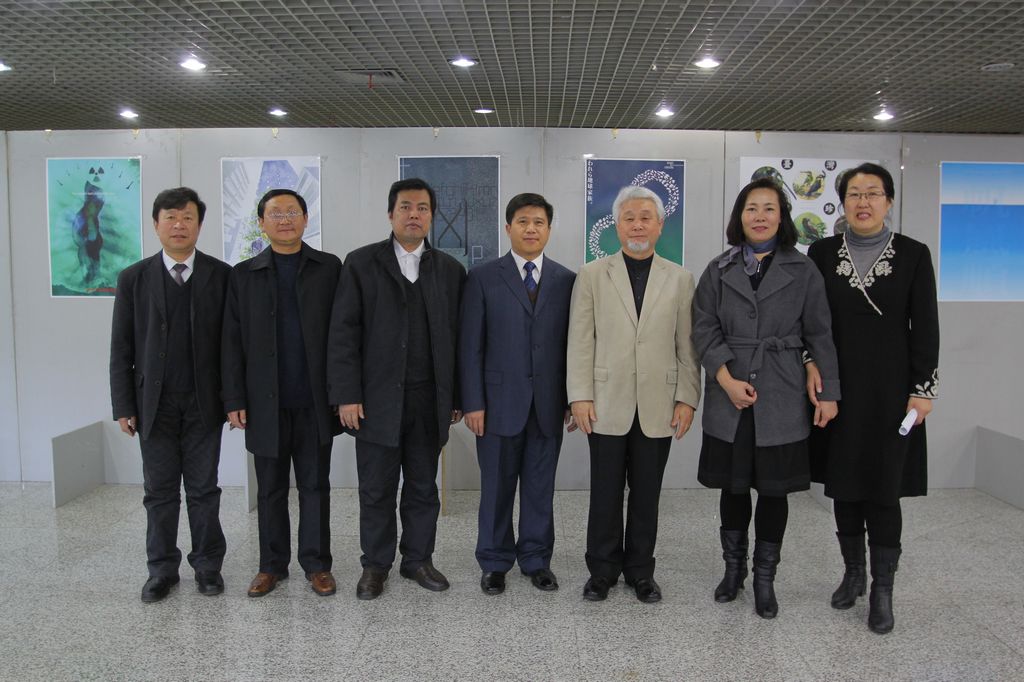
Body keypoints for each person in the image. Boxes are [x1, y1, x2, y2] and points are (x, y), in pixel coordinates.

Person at [692, 178, 840, 619]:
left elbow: (820, 333)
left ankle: (764, 578)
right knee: (733, 487)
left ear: (782, 217)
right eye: (751, 208)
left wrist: (828, 392)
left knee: (774, 492)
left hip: (782, 390)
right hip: (729, 392)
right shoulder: (718, 268)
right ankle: (732, 570)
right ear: (739, 216)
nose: (759, 216)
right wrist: (725, 378)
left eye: (769, 208)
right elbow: (703, 328)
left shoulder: (803, 270)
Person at [807, 162, 939, 634]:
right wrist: (812, 367)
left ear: (889, 201)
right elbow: (810, 321)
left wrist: (922, 391)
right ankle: (853, 574)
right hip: (838, 391)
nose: (863, 202)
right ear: (843, 203)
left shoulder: (914, 254)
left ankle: (883, 589)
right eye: (854, 194)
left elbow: (926, 327)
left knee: (884, 492)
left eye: (873, 193)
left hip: (891, 395)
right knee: (844, 486)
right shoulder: (821, 253)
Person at [328, 178, 466, 600]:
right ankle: (375, 565)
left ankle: (418, 560)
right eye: (405, 207)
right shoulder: (361, 264)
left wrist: (457, 397)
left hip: (428, 400)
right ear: (390, 214)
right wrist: (346, 394)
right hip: (375, 402)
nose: (414, 215)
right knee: (376, 490)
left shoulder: (450, 270)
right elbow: (343, 334)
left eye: (422, 208)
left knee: (423, 487)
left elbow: (459, 339)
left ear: (432, 217)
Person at [567, 185, 701, 603]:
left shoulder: (680, 278)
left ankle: (641, 571)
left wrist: (687, 397)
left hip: (659, 402)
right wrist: (579, 396)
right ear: (617, 225)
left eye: (646, 217)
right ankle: (602, 570)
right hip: (606, 400)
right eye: (629, 218)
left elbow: (687, 345)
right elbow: (580, 340)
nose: (637, 225)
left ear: (660, 225)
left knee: (647, 493)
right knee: (605, 492)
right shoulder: (592, 274)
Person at [109, 187, 229, 602]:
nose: (179, 225)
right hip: (152, 405)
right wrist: (123, 405)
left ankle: (208, 566)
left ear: (199, 224)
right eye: (171, 217)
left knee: (204, 490)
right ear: (156, 224)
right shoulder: (134, 278)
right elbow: (121, 347)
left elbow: (232, 346)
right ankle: (161, 569)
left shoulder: (221, 275)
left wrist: (234, 400)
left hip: (204, 403)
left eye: (188, 217)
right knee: (159, 492)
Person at [221, 189, 342, 598]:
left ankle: (317, 564)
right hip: (263, 404)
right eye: (276, 213)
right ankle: (271, 566)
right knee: (270, 489)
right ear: (262, 223)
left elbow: (344, 335)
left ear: (306, 219)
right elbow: (231, 342)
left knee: (315, 486)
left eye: (292, 212)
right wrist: (234, 399)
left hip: (314, 402)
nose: (285, 219)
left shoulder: (329, 268)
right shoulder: (243, 274)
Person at [459, 193, 577, 596]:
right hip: (496, 406)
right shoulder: (483, 277)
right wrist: (473, 402)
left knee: (540, 488)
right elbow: (470, 347)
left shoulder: (566, 280)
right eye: (523, 221)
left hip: (547, 405)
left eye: (539, 222)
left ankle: (536, 560)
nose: (531, 229)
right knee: (496, 487)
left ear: (549, 229)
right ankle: (494, 562)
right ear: (508, 227)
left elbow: (574, 346)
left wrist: (571, 399)